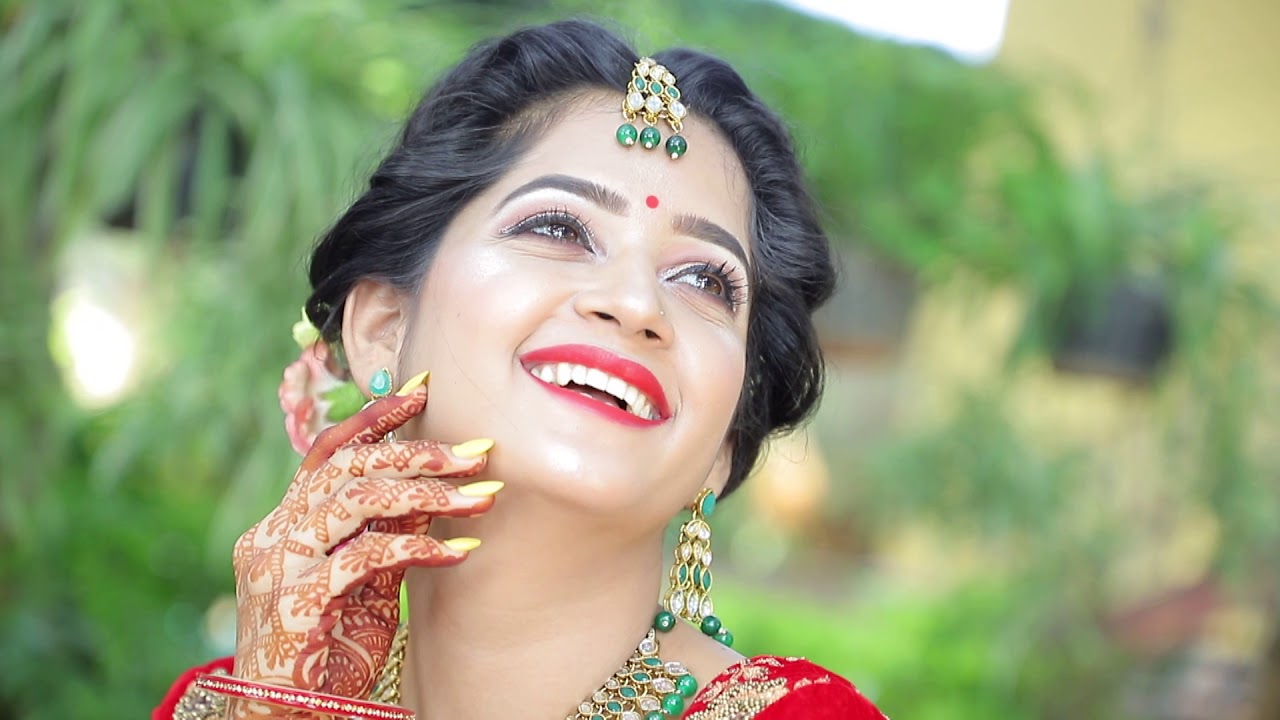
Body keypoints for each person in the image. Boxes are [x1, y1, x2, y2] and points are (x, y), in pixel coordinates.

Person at [155, 18, 886, 720]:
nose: (636, 304)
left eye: (705, 280)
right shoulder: (226, 706)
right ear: (384, 328)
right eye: (559, 228)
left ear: (725, 443)